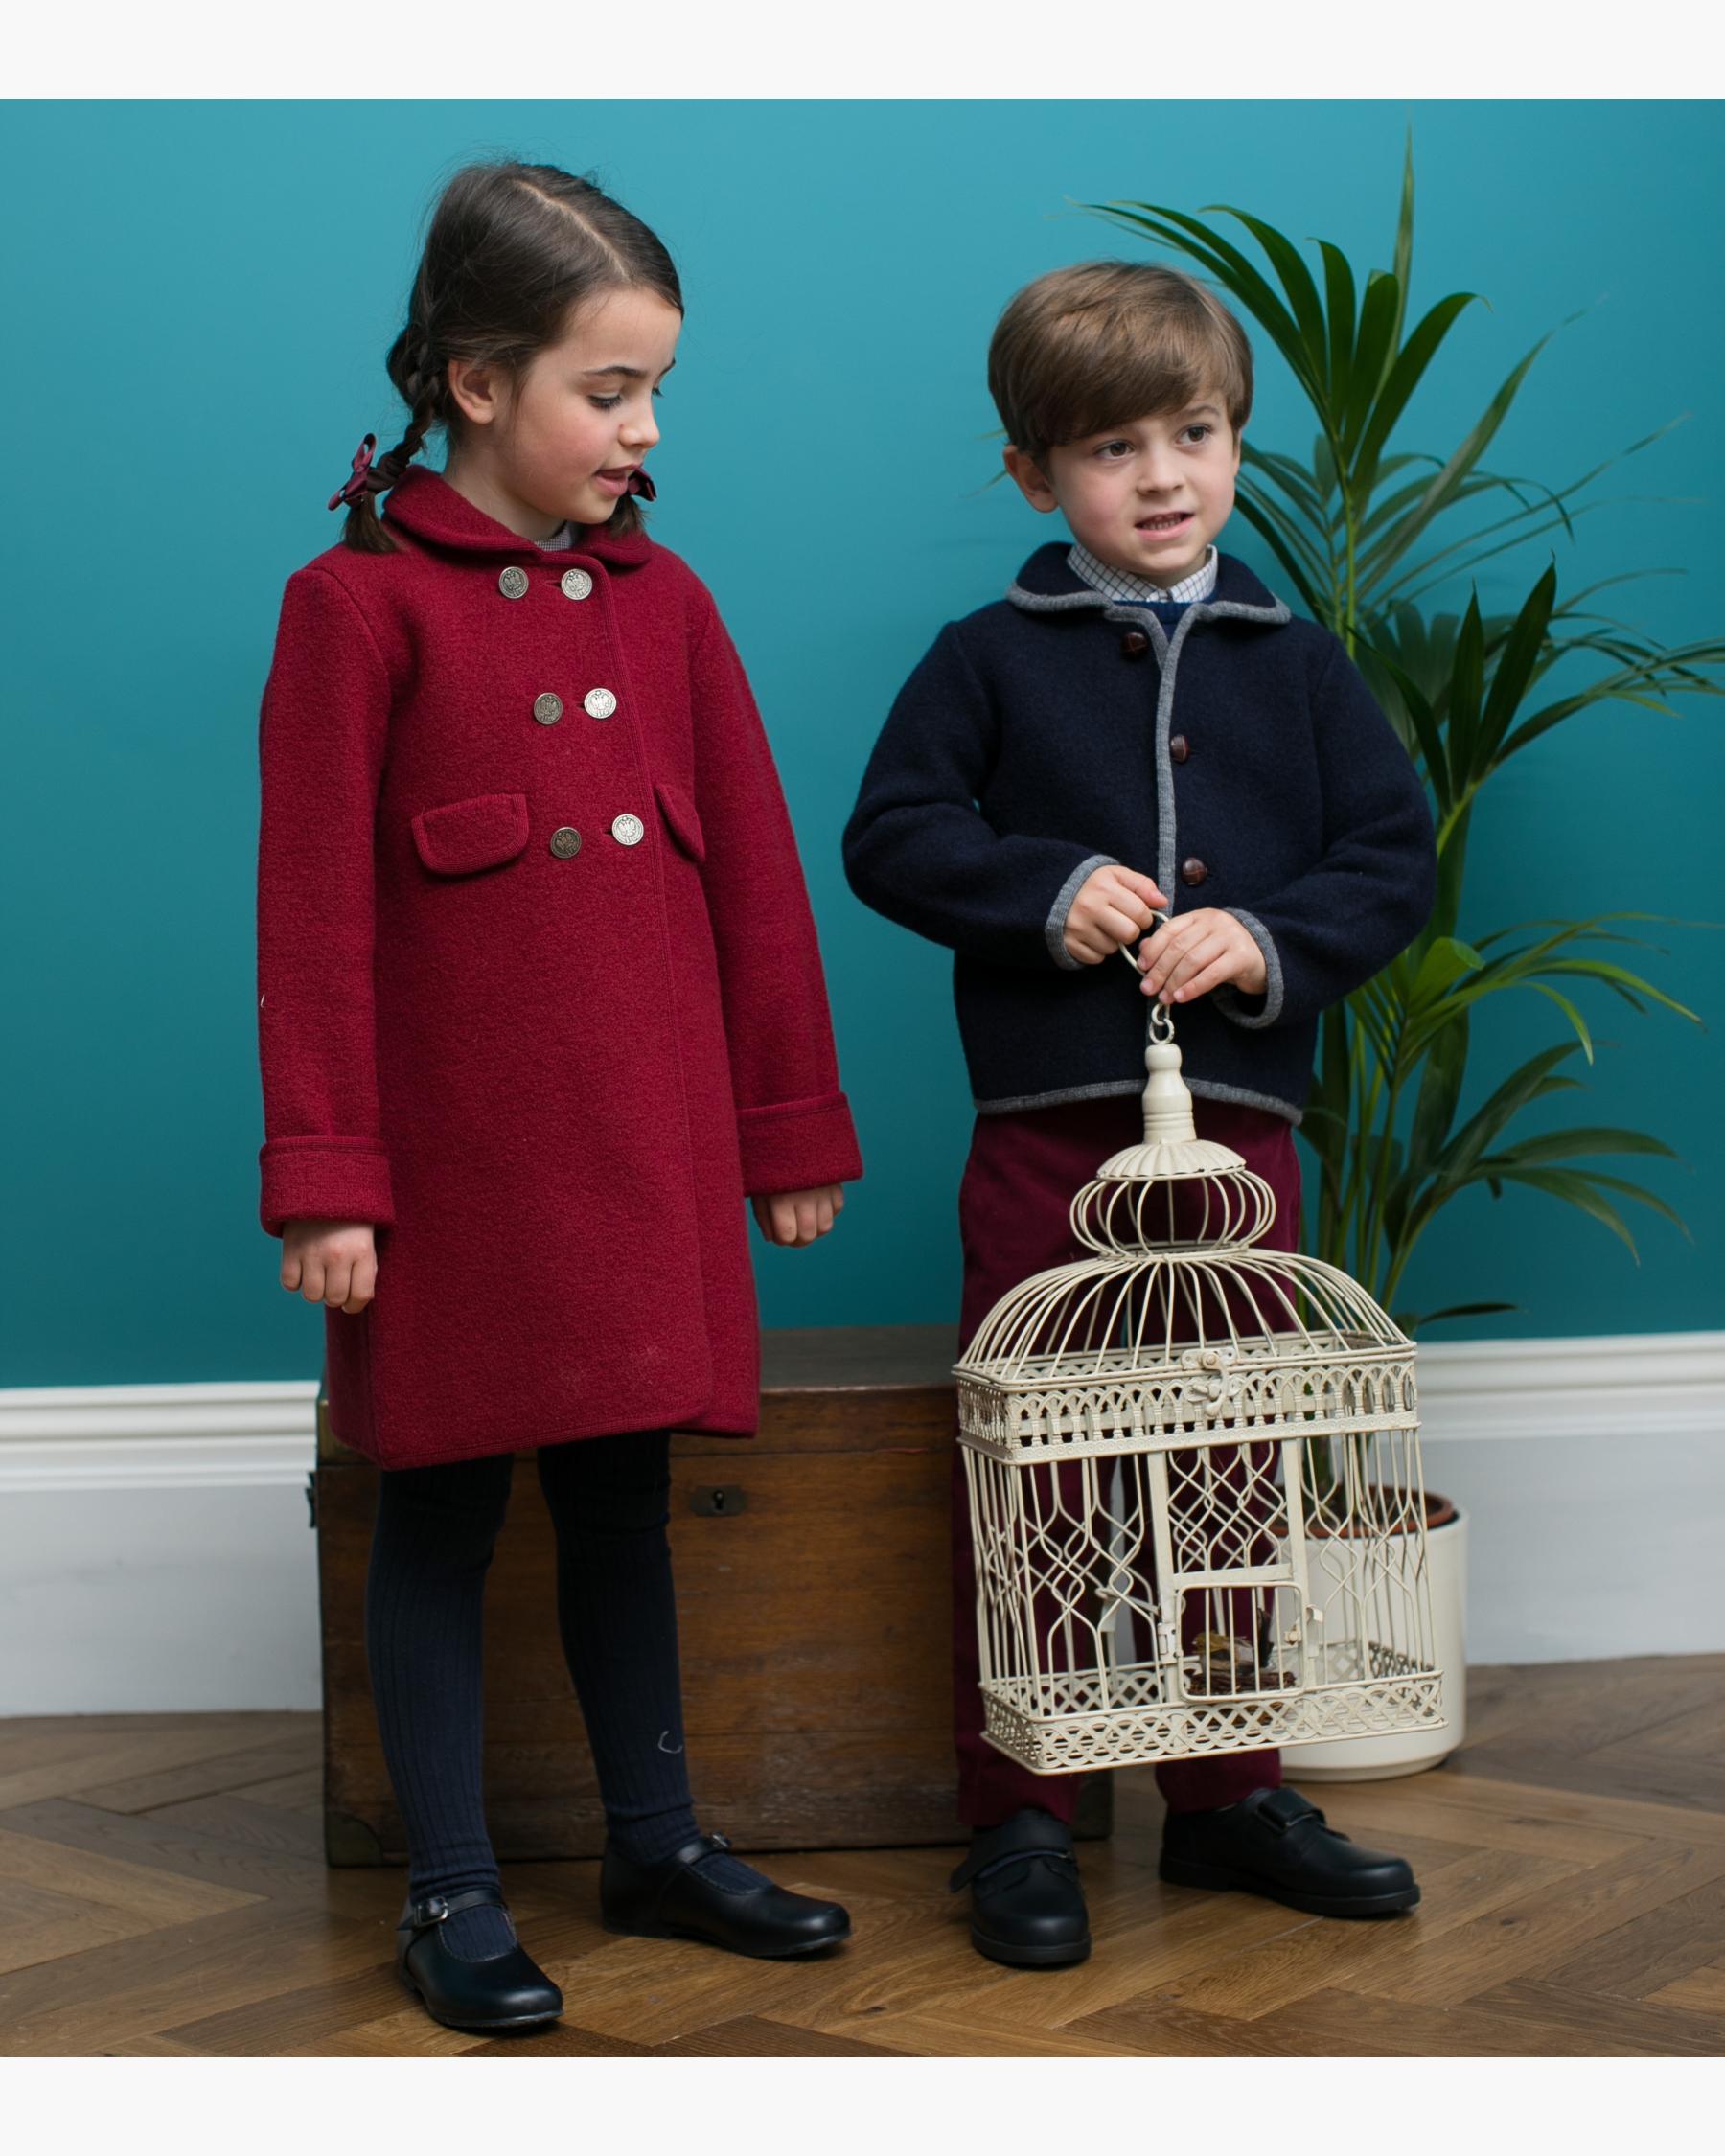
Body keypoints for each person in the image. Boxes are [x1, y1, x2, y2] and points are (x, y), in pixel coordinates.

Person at [256, 159, 862, 2032]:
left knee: (623, 1497)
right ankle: (449, 1889)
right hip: (456, 1184)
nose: (645, 428)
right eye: (609, 390)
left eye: (656, 388)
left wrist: (784, 1127)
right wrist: (328, 1178)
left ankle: (655, 1842)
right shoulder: (357, 609)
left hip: (647, 1158)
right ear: (475, 379)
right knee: (436, 1510)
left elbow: (757, 882)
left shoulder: (667, 606)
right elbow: (311, 920)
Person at [842, 260, 1436, 1969]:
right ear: (1036, 474)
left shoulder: (1299, 665)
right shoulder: (983, 660)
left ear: (1237, 441)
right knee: (1040, 1468)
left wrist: (1263, 939)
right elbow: (893, 836)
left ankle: (1229, 1790)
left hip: (1240, 1144)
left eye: (1194, 433)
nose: (1163, 476)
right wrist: (1044, 889)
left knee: (1233, 1462)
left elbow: (1389, 859)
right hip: (1046, 1135)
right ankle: (1022, 1811)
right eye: (1113, 448)